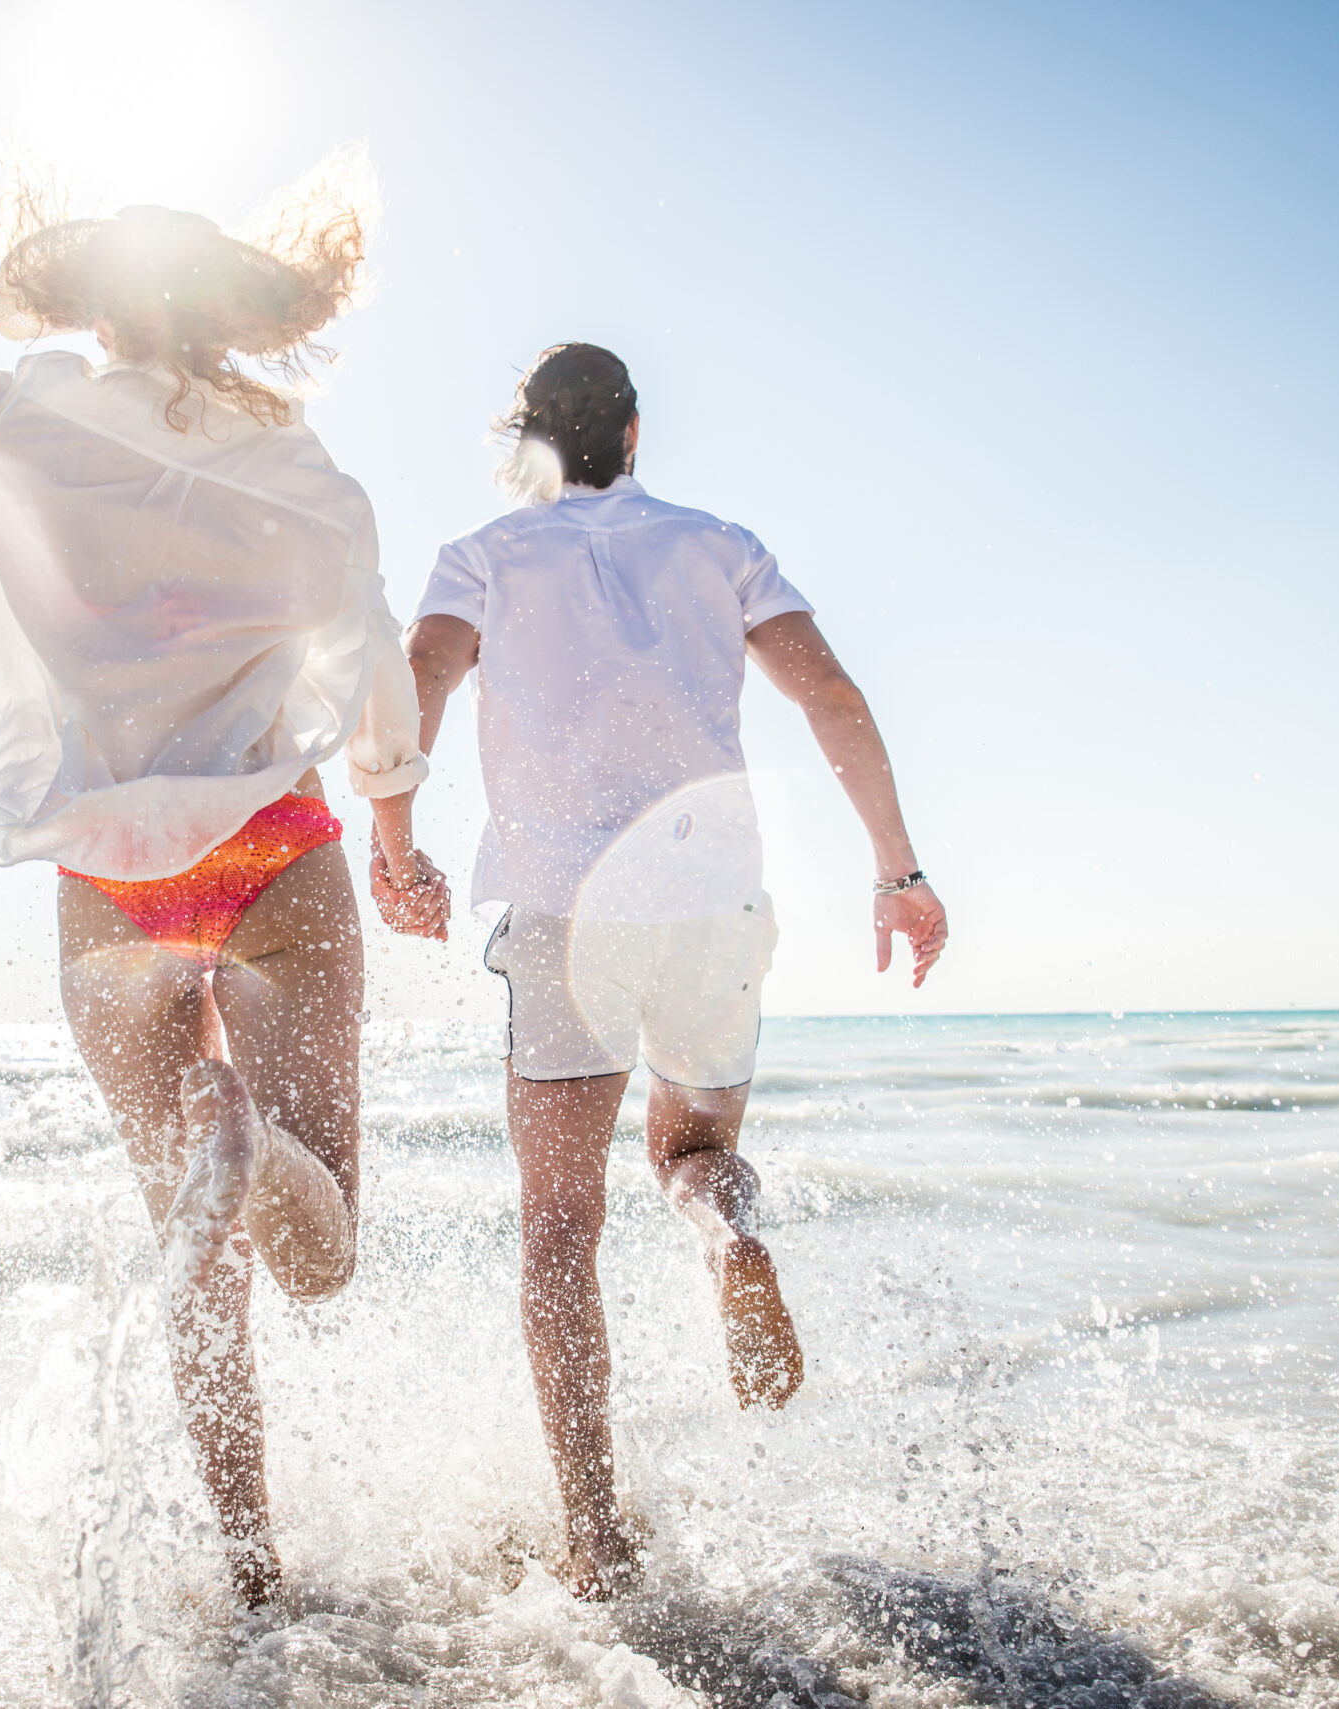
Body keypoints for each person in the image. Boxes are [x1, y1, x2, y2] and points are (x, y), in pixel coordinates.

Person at [0, 160, 452, 1608]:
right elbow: (374, 674)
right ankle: (251, 1139)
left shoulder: (21, 421)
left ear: (99, 316)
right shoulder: (309, 474)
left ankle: (251, 1573)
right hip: (273, 852)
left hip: (109, 883)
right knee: (318, 1254)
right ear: (231, 321)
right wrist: (394, 830)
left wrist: (10, 293)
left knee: (191, 1252)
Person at [386, 342, 946, 1599]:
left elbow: (418, 676)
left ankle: (596, 1535)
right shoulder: (718, 543)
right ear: (634, 434)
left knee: (557, 1224)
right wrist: (898, 874)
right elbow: (834, 697)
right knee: (691, 1153)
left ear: (526, 445)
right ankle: (726, 1232)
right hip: (708, 895)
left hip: (561, 909)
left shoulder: (483, 554)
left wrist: (395, 843)